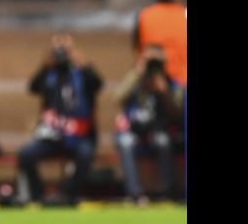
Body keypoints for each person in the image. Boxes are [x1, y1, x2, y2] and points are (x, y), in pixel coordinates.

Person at [16, 34, 104, 206]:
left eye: (66, 51)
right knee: (26, 154)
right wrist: (45, 63)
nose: (62, 55)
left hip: (80, 136)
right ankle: (38, 196)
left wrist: (80, 60)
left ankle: (68, 195)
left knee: (85, 154)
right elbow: (33, 87)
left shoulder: (82, 74)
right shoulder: (50, 75)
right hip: (52, 137)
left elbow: (98, 83)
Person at [113, 45, 184, 204]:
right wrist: (136, 74)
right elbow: (117, 98)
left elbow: (177, 113)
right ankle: (135, 194)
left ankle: (167, 192)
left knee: (163, 141)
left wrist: (163, 92)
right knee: (125, 141)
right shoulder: (136, 81)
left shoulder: (170, 84)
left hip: (159, 130)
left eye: (155, 60)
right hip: (135, 130)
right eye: (147, 60)